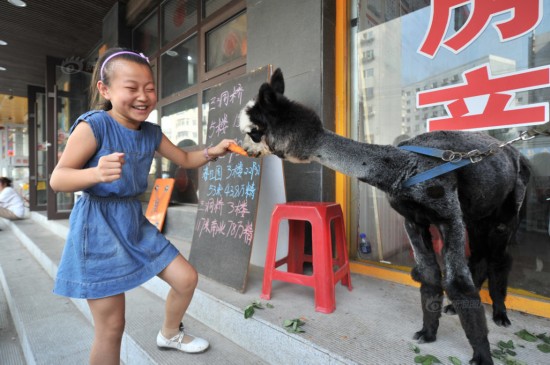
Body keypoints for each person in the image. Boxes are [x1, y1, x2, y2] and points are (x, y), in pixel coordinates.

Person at [49, 48, 235, 365]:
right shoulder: (94, 126)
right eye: (132, 88)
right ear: (105, 90)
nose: (143, 96)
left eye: (149, 88)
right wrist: (95, 173)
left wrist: (213, 151)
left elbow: (186, 159)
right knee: (111, 327)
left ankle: (169, 333)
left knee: (186, 278)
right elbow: (58, 179)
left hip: (134, 221)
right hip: (97, 227)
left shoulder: (151, 132)